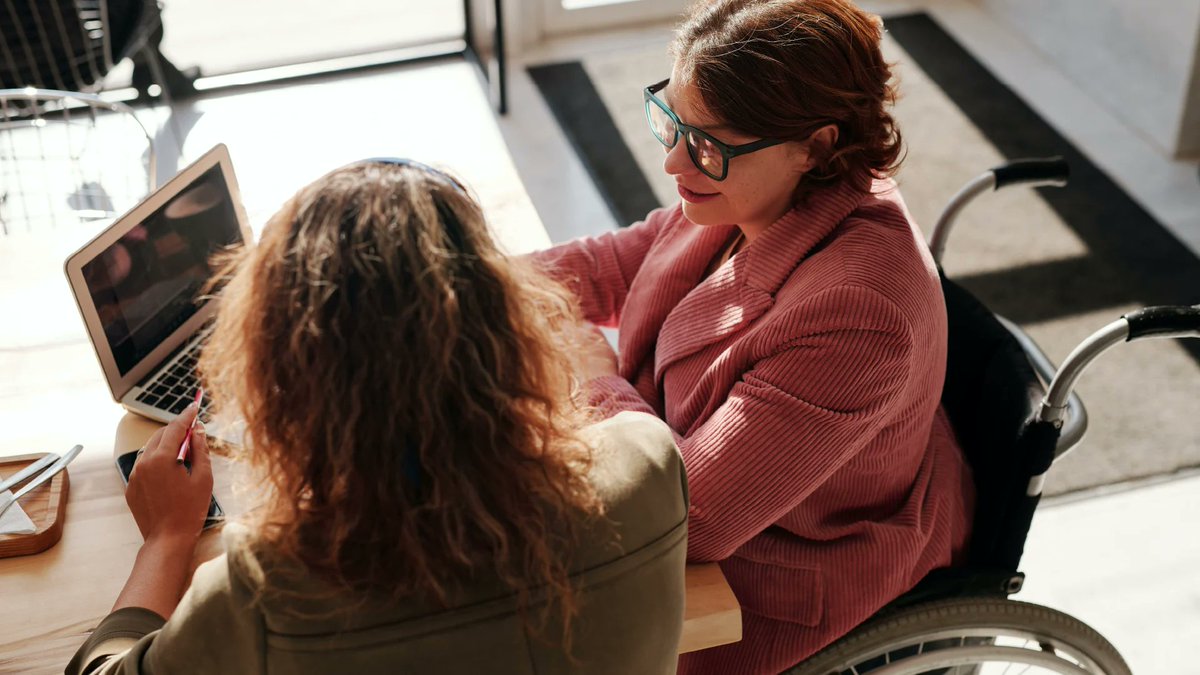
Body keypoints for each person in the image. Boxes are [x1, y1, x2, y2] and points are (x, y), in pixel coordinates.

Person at [67, 160, 689, 674]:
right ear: (511, 326)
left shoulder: (267, 590)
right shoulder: (649, 463)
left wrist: (167, 539)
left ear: (283, 379)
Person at [531, 1, 975, 673]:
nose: (674, 163)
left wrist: (593, 371)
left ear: (817, 146)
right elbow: (619, 262)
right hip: (710, 495)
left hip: (772, 581)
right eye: (670, 122)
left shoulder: (858, 312)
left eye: (705, 144)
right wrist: (452, 281)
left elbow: (694, 517)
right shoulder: (750, 184)